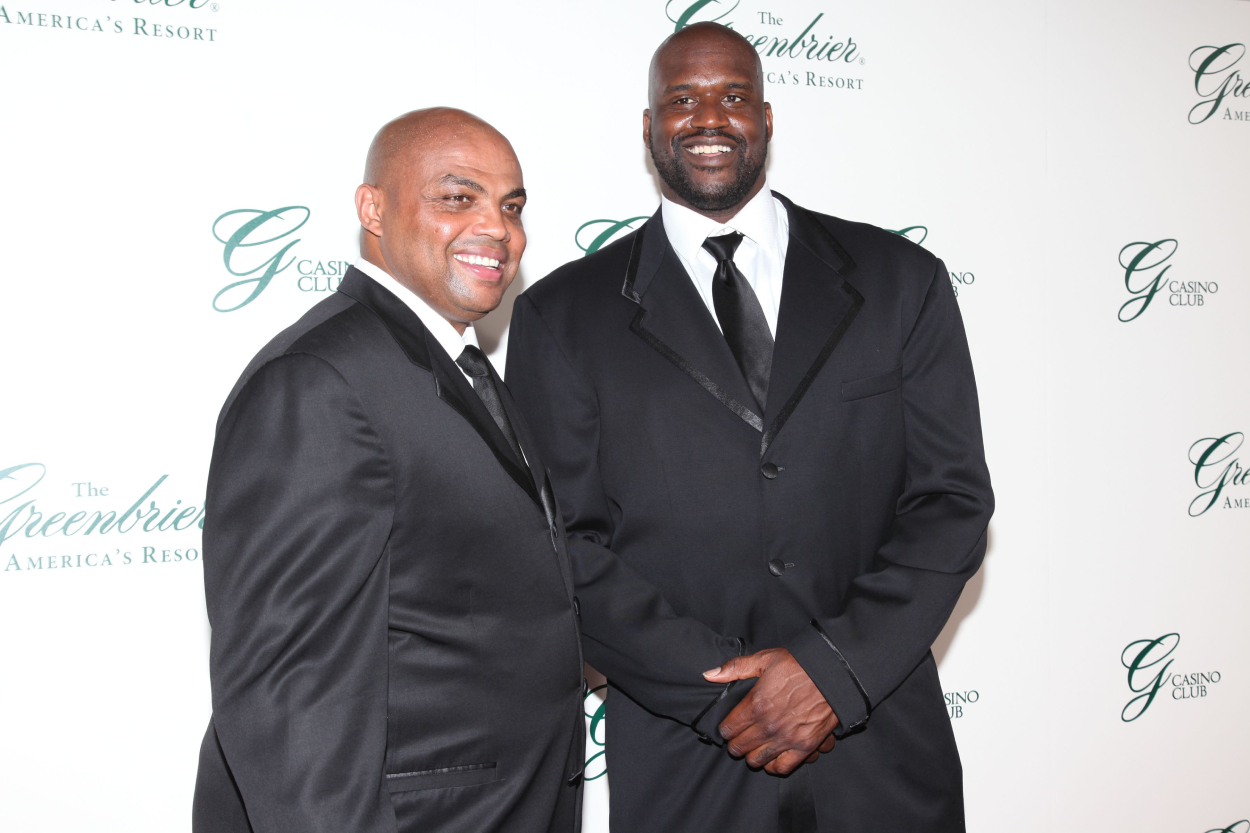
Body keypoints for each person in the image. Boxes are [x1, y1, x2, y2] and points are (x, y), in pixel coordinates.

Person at [192, 108, 745, 833]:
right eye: (458, 197)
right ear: (373, 209)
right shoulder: (321, 381)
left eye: (511, 206)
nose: (497, 227)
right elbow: (291, 702)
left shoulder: (459, 364)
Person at [505, 23, 995, 833]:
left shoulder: (900, 282)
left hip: (884, 753)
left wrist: (834, 674)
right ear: (647, 127)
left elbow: (950, 504)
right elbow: (566, 551)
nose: (709, 117)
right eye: (682, 99)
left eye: (733, 95)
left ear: (767, 119)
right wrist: (739, 697)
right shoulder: (563, 316)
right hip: (685, 760)